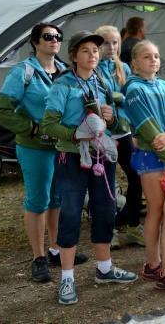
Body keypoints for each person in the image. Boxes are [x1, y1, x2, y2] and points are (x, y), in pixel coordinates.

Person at [41, 31, 137, 304]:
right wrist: (76, 134)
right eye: (85, 50)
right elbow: (48, 125)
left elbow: (117, 125)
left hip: (101, 157)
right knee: (70, 214)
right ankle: (67, 278)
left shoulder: (103, 81)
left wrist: (112, 116)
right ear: (73, 56)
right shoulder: (63, 85)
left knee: (105, 209)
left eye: (95, 50)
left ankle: (105, 269)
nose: (92, 54)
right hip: (72, 158)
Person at [0, 23, 82, 283]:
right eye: (47, 36)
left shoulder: (66, 71)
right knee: (38, 201)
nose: (54, 40)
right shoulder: (23, 72)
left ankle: (55, 249)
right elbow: (1, 110)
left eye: (58, 36)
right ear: (35, 42)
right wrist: (30, 128)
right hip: (34, 148)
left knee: (56, 198)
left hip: (61, 146)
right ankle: (38, 257)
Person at [123, 40, 165, 292]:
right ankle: (163, 270)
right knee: (161, 210)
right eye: (147, 56)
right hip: (153, 159)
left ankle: (158, 265)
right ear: (135, 63)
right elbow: (146, 126)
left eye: (157, 56)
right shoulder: (133, 90)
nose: (154, 60)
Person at [95, 25, 143, 248]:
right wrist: (114, 99)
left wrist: (134, 130)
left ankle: (131, 225)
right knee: (107, 184)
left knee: (137, 177)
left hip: (123, 131)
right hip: (101, 135)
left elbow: (131, 99)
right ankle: (110, 230)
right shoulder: (93, 68)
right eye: (106, 42)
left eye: (115, 42)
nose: (111, 47)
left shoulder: (123, 67)